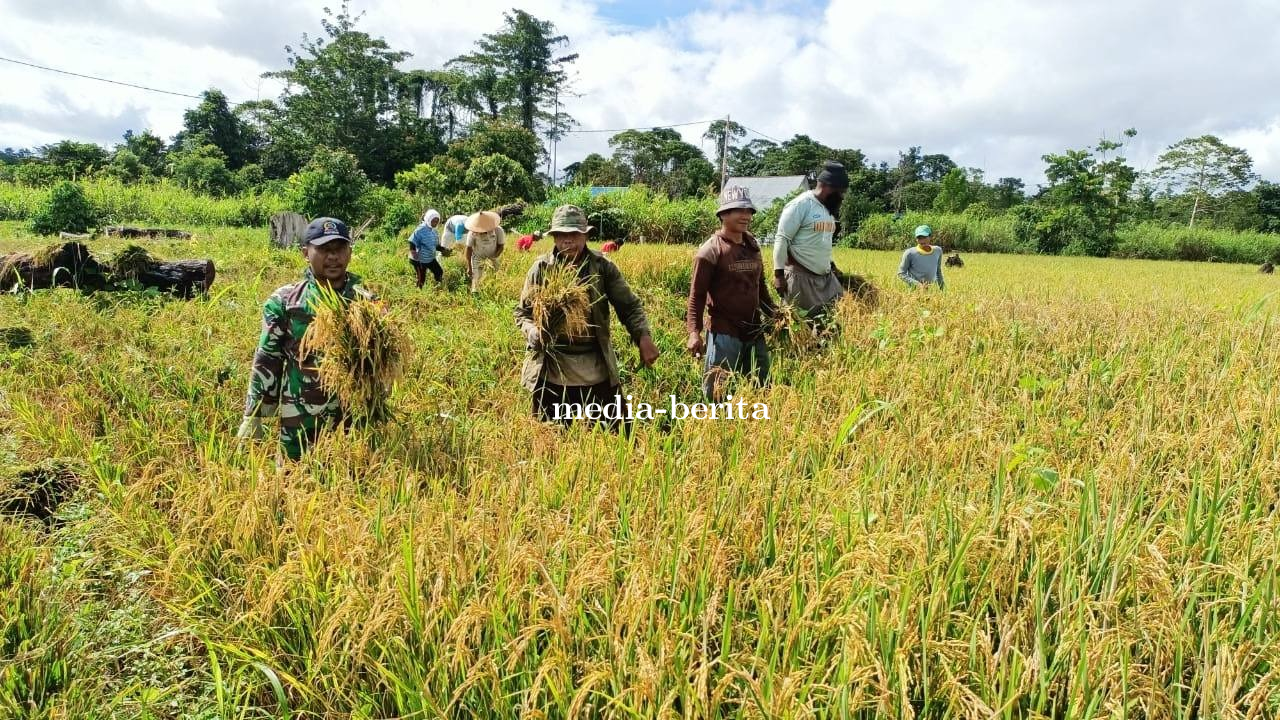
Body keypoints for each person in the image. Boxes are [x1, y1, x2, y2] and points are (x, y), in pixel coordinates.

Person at [236, 217, 376, 461]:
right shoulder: (286, 302)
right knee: (294, 477)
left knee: (353, 478)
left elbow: (380, 363)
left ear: (350, 252)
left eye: (339, 248)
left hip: (355, 414)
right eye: (323, 249)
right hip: (301, 415)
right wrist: (255, 413)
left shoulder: (366, 302)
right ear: (305, 252)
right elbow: (267, 359)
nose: (333, 256)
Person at [515, 205, 660, 430]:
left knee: (618, 432)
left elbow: (629, 307)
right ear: (553, 237)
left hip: (595, 366)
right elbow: (523, 312)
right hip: (553, 368)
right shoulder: (541, 268)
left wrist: (643, 336)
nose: (568, 241)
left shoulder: (603, 268)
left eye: (574, 234)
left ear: (586, 235)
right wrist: (533, 331)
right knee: (551, 438)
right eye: (561, 235)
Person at [687, 186, 775, 401]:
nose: (746, 216)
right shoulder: (710, 251)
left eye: (749, 211)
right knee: (717, 392)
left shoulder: (752, 245)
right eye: (739, 210)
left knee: (761, 388)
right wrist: (693, 332)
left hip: (754, 330)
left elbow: (760, 285)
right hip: (724, 333)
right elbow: (697, 296)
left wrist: (773, 313)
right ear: (723, 214)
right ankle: (716, 427)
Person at [772, 161, 850, 320]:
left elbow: (821, 242)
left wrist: (831, 265)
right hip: (801, 277)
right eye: (840, 192)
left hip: (825, 279)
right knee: (804, 325)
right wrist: (778, 275)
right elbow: (782, 239)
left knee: (833, 321)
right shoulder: (800, 205)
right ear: (828, 187)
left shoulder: (828, 209)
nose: (842, 197)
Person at [463, 211, 505, 292]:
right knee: (476, 281)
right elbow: (468, 249)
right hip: (477, 257)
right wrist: (469, 267)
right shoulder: (472, 233)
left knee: (495, 277)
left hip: (493, 256)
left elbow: (501, 246)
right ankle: (476, 295)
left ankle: (493, 292)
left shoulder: (498, 230)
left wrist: (493, 257)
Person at [897, 225, 946, 290]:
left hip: (932, 291)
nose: (922, 241)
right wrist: (918, 285)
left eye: (924, 237)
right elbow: (901, 273)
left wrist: (943, 289)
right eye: (919, 238)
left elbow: (938, 271)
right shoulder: (910, 253)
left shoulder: (937, 251)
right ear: (916, 239)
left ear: (930, 237)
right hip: (915, 291)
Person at [408, 210, 445, 288]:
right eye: (433, 221)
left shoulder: (434, 231)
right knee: (421, 279)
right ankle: (418, 293)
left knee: (439, 272)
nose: (435, 223)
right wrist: (416, 258)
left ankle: (439, 287)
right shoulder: (420, 230)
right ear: (428, 219)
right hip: (420, 260)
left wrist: (444, 250)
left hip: (430, 258)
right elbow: (412, 243)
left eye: (437, 221)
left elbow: (435, 245)